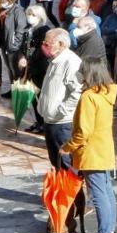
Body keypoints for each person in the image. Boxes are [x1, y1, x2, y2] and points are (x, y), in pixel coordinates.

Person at [61, 57, 117, 233]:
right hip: (104, 149)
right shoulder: (106, 93)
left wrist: (67, 147)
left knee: (98, 194)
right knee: (106, 191)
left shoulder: (88, 97)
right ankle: (110, 231)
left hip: (91, 153)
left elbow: (83, 132)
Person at [37, 29, 83, 171]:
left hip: (62, 122)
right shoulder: (55, 60)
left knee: (65, 163)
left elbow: (77, 91)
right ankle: (62, 192)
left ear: (61, 44)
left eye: (48, 43)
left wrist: (61, 110)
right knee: (55, 161)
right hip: (50, 120)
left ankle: (74, 193)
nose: (44, 45)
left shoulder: (71, 62)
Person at [0, 0, 28, 98]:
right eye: (1, 1)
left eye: (4, 1)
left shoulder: (18, 11)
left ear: (11, 1)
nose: (1, 4)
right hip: (4, 44)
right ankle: (13, 90)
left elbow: (20, 29)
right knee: (10, 69)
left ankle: (18, 93)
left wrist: (15, 44)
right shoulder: (3, 10)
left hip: (12, 46)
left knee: (16, 70)